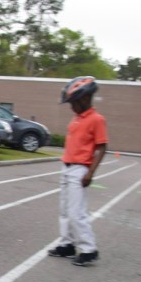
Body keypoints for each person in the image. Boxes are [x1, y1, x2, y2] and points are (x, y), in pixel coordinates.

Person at [48, 76, 108, 266]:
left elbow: (102, 147)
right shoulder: (76, 119)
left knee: (76, 212)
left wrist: (90, 173)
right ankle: (67, 244)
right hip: (66, 167)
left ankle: (89, 249)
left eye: (73, 103)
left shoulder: (97, 120)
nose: (71, 107)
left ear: (84, 99)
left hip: (80, 169)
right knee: (64, 211)